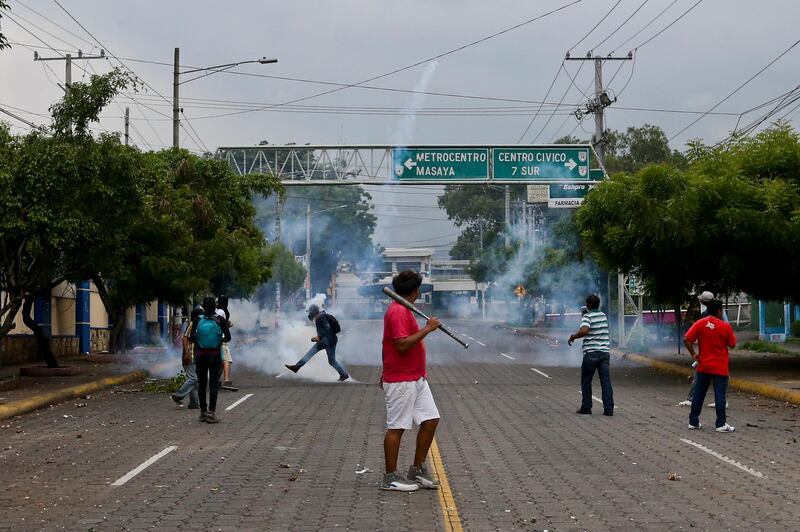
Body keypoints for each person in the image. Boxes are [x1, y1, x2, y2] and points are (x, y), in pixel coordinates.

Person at [380, 270, 441, 492]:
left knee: (431, 420)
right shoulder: (397, 311)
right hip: (401, 380)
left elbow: (385, 344)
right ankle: (390, 477)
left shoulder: (404, 308)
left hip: (416, 378)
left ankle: (416, 469)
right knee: (397, 427)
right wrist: (427, 329)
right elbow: (402, 344)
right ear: (416, 291)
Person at [684, 299, 736, 432]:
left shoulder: (700, 323)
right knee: (720, 395)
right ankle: (720, 424)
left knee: (699, 394)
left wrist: (694, 355)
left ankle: (693, 422)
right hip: (720, 367)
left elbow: (687, 339)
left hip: (704, 366)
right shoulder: (725, 326)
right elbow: (732, 344)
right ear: (719, 311)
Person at [568, 294, 613, 416]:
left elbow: (584, 331)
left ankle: (586, 407)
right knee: (605, 381)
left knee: (586, 380)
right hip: (604, 353)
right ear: (598, 304)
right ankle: (609, 409)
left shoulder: (587, 316)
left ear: (587, 305)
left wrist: (573, 337)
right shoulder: (603, 315)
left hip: (591, 353)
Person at [189, 297, 231, 424]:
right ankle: (211, 413)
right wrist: (218, 340)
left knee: (202, 384)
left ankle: (202, 412)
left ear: (203, 306)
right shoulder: (220, 320)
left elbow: (191, 338)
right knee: (213, 385)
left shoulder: (197, 320)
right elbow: (228, 338)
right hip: (215, 355)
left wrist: (201, 342)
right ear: (215, 306)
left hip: (201, 356)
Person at [285, 304, 349, 381]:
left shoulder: (321, 317)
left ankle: (296, 367)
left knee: (310, 354)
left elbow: (327, 328)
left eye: (310, 312)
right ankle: (344, 375)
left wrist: (319, 337)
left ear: (313, 312)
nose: (309, 314)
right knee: (332, 361)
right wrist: (319, 337)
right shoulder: (322, 315)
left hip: (326, 341)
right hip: (331, 340)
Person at [678, 291, 715, 407]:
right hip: (718, 351)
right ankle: (722, 401)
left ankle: (691, 399)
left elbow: (687, 338)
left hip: (706, 351)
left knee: (699, 376)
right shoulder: (721, 313)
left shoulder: (705, 316)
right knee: (718, 378)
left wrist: (694, 354)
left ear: (703, 301)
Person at [170, 307, 202, 409]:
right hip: (190, 356)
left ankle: (194, 403)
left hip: (195, 356)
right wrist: (187, 352)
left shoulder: (197, 325)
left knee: (194, 380)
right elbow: (184, 338)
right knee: (194, 378)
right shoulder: (193, 324)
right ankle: (178, 395)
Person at [216, 296, 238, 391]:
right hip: (222, 339)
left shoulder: (217, 310)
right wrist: (229, 325)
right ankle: (227, 381)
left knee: (221, 362)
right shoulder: (222, 311)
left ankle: (216, 381)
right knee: (227, 360)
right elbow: (223, 325)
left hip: (216, 338)